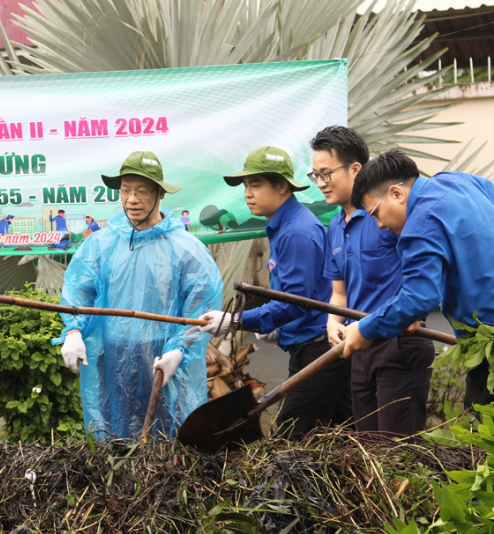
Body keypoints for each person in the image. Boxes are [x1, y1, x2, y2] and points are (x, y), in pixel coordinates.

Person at [54, 151, 222, 439]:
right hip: (112, 353)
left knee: (166, 440)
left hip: (163, 357)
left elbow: (202, 302)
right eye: (126, 190)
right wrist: (73, 332)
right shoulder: (100, 244)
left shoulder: (185, 247)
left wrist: (179, 348)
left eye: (142, 191)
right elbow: (78, 290)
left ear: (159, 194)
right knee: (114, 437)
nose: (132, 199)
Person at [198, 146, 351, 440]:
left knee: (290, 441)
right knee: (343, 438)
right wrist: (281, 330)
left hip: (321, 351)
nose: (247, 194)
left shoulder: (297, 231)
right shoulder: (285, 226)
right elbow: (298, 297)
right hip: (314, 346)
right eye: (245, 186)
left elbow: (295, 302)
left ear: (281, 186)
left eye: (255, 184)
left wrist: (236, 320)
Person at [343, 150, 494, 411]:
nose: (378, 225)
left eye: (375, 213)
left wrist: (366, 328)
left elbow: (420, 297)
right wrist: (406, 311)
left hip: (488, 341)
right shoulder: (457, 180)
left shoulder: (419, 225)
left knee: (480, 429)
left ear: (397, 194)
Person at [310, 127, 433, 437]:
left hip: (399, 342)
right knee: (367, 447)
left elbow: (422, 276)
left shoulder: (391, 215)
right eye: (316, 175)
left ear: (355, 169)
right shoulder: (335, 226)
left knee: (395, 451)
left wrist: (415, 315)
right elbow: (339, 292)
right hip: (360, 347)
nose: (321, 182)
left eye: (327, 173)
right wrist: (331, 322)